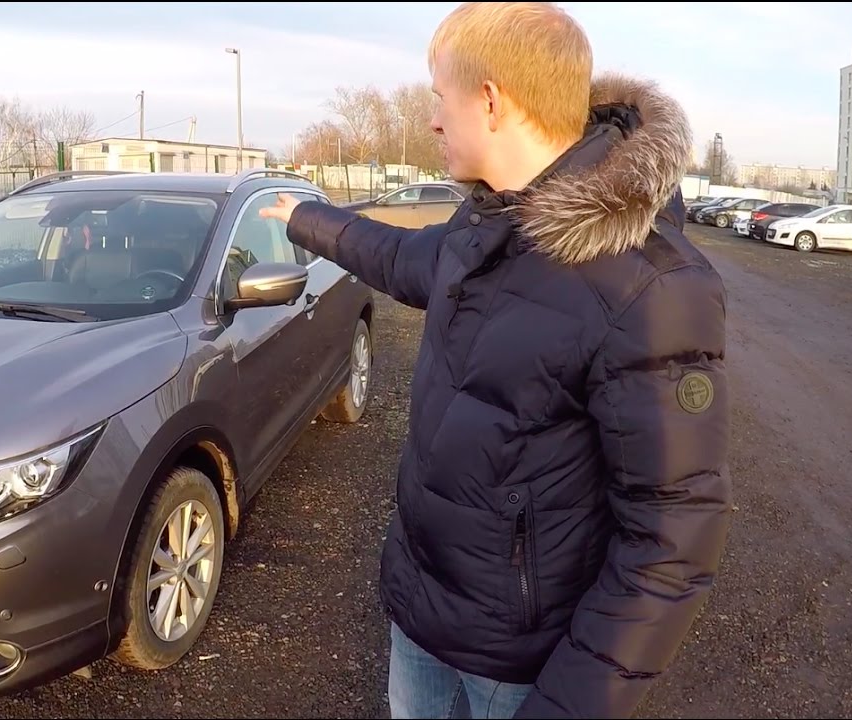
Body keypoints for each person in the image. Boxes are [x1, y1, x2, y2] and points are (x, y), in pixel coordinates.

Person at [259, 2, 732, 718]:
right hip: (422, 618)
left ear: (489, 101)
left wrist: (565, 705)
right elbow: (400, 257)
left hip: (521, 670)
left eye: (438, 98)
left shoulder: (651, 287)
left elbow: (672, 541)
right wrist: (305, 218)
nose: (431, 121)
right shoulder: (486, 224)